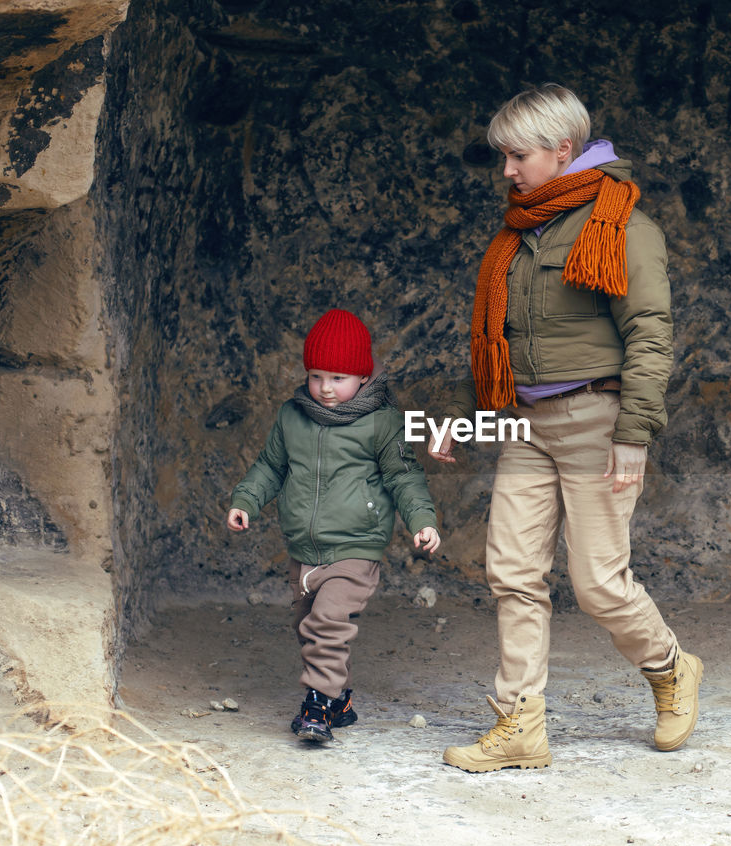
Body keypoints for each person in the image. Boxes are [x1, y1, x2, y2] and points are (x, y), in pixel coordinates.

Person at [430, 83, 702, 771]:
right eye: (504, 157)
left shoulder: (623, 225)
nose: (508, 171)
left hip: (595, 418)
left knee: (598, 582)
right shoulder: (521, 230)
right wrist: (468, 425)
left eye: (518, 155)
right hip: (523, 421)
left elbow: (648, 333)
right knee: (513, 572)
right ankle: (519, 722)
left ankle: (671, 668)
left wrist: (633, 436)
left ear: (563, 150)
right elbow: (501, 338)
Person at [227, 308, 441, 742]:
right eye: (317, 376)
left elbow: (404, 475)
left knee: (327, 621)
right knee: (308, 627)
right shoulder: (292, 416)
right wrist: (246, 500)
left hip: (356, 547)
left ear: (362, 377)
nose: (325, 388)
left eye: (338, 378)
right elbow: (270, 465)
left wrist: (421, 520)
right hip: (305, 552)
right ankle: (339, 700)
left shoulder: (380, 421)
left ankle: (317, 708)